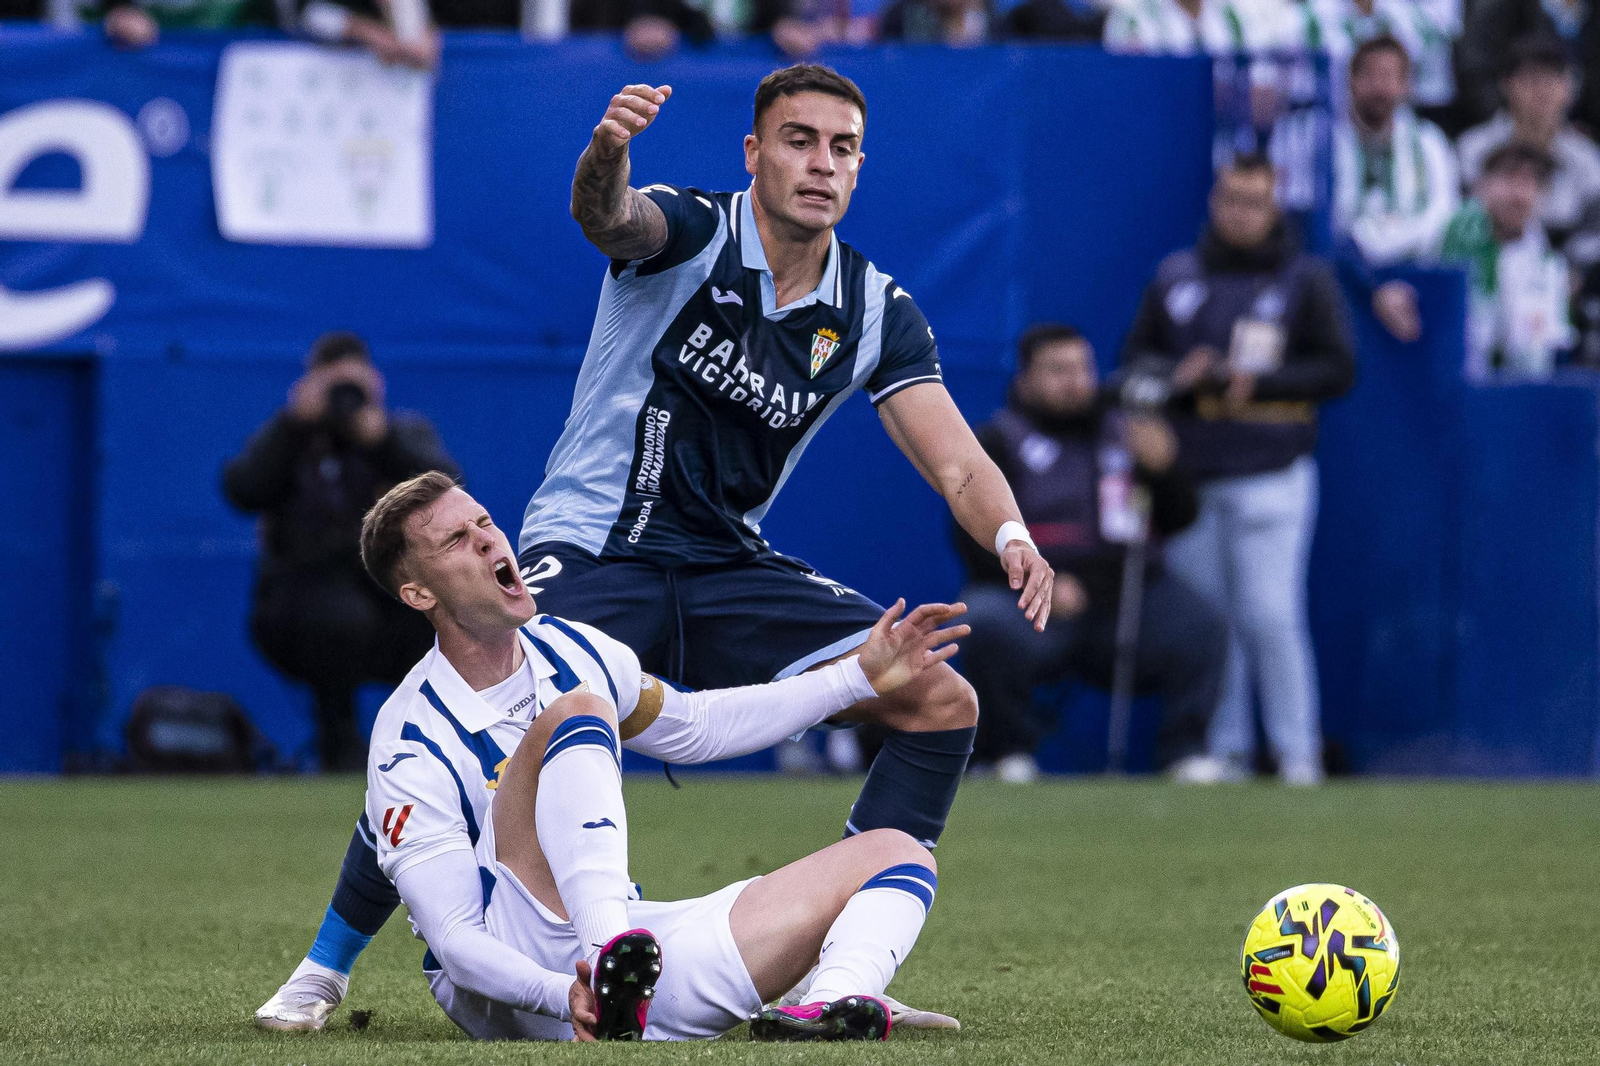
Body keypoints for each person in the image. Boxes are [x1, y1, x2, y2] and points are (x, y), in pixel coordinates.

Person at [256, 62, 1051, 1032]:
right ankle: (326, 963)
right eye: (798, 140)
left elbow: (961, 465)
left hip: (725, 565)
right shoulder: (692, 230)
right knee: (478, 722)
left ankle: (841, 973)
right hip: (595, 546)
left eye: (842, 148)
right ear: (753, 153)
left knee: (936, 696)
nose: (821, 164)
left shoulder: (874, 309)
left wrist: (1012, 532)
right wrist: (602, 158)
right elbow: (610, 218)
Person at [343, 474, 960, 1041]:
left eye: (484, 523)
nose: (486, 541)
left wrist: (858, 677)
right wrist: (564, 993)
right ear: (417, 592)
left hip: (634, 964)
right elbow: (455, 943)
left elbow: (698, 727)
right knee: (577, 712)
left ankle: (830, 1004)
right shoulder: (407, 737)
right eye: (457, 539)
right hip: (519, 988)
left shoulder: (572, 646)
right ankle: (610, 951)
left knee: (897, 851)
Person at [1122, 154, 1357, 786]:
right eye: (1231, 198)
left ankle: (1297, 754)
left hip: (1273, 471)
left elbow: (1339, 368)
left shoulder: (1305, 279)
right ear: (1213, 201)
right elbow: (1132, 366)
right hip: (1194, 477)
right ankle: (1223, 751)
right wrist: (1179, 377)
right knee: (1209, 620)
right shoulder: (1176, 277)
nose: (1241, 212)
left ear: (1274, 207)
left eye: (1255, 201)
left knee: (1271, 614)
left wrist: (1264, 381)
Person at [955, 325, 1228, 784]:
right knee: (981, 621)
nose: (1075, 381)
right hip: (1031, 603)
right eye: (1058, 370)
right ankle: (1009, 753)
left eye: (1083, 369)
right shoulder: (998, 441)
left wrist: (1165, 471)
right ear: (1025, 380)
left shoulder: (1126, 433)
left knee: (1201, 624)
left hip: (1119, 601)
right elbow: (973, 539)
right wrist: (1044, 583)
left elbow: (1179, 518)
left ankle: (1186, 752)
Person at [222, 332, 459, 771]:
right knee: (337, 618)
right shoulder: (292, 440)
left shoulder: (397, 433)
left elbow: (446, 487)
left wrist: (381, 439)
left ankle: (430, 748)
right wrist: (292, 424)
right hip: (302, 603)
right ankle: (341, 745)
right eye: (333, 386)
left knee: (445, 615)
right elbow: (242, 488)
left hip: (387, 592)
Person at [1330, 35, 1459, 343]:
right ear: (1351, 81)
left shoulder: (1429, 143)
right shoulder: (1327, 141)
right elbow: (1328, 221)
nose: (1380, 87)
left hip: (1419, 275)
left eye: (1390, 77)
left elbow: (1444, 213)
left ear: (1406, 86)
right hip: (1344, 276)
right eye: (1370, 75)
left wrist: (1389, 241)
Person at [1457, 35, 1600, 274]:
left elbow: (1595, 233)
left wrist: (1568, 274)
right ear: (1507, 85)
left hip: (1568, 277)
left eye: (1552, 79)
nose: (1542, 90)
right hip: (1486, 270)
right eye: (1531, 79)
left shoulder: (1585, 156)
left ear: (1568, 88)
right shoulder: (1473, 149)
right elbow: (1465, 224)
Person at [1438, 141, 1573, 378]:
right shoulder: (1449, 238)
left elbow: (1548, 348)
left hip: (1518, 389)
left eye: (1531, 182)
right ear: (1482, 185)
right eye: (1510, 177)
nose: (1519, 194)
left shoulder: (1549, 265)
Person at [1457, 0, 1600, 134]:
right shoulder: (1506, 9)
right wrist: (1512, 119)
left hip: (1582, 130)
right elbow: (1476, 67)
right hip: (1508, 125)